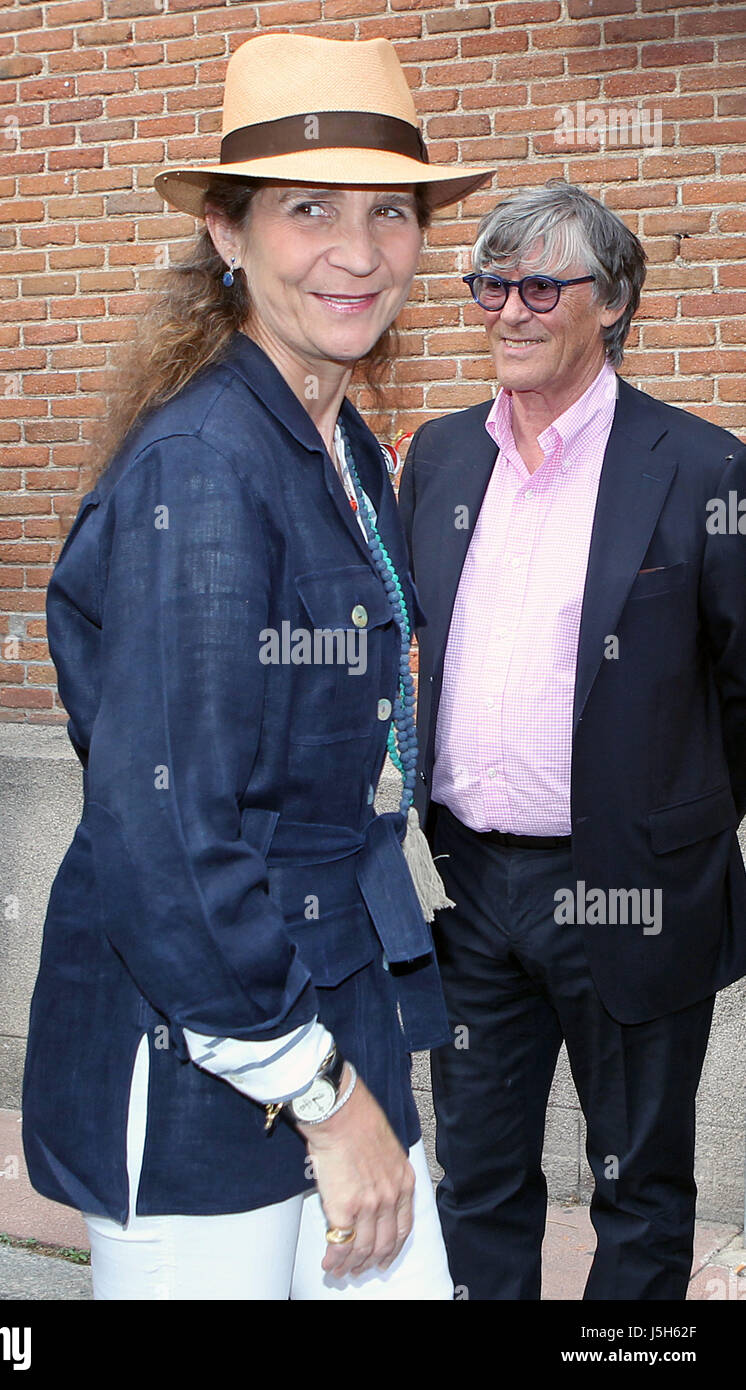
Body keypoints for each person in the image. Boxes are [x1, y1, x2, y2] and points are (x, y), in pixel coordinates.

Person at [21, 32, 493, 1300]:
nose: (358, 251)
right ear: (226, 236)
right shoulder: (208, 468)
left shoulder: (336, 447)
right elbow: (166, 829)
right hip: (207, 1052)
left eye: (389, 212)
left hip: (329, 995)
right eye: (307, 211)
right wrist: (325, 1103)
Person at [399, 179, 746, 1301]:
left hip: (630, 889)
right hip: (470, 887)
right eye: (489, 285)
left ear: (613, 303)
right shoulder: (440, 458)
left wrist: (674, 828)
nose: (508, 309)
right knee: (476, 1176)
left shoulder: (698, 469)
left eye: (539, 285)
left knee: (637, 1190)